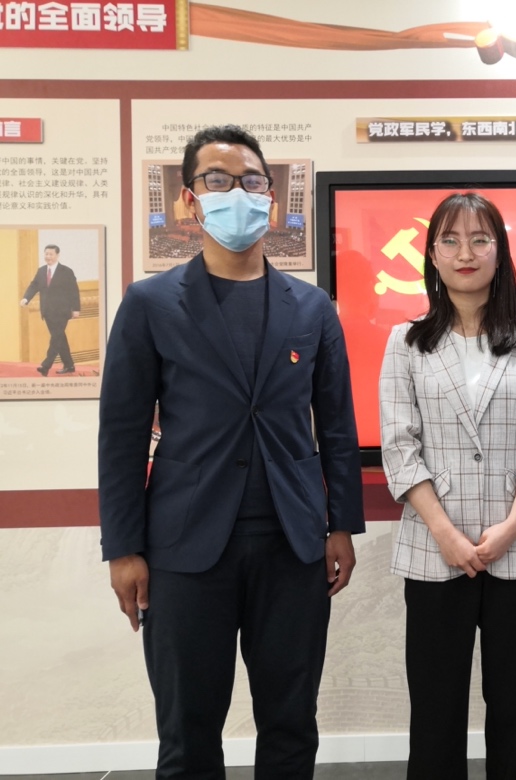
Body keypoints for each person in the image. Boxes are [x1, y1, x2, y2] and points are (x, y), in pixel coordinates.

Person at [98, 125, 365, 779]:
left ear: (270, 198)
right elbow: (122, 434)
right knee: (188, 733)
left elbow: (336, 426)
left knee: (291, 725)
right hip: (183, 549)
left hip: (293, 545)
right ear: (191, 199)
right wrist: (123, 548)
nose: (236, 192)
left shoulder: (312, 307)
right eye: (217, 180)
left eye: (250, 181)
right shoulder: (150, 303)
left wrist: (342, 525)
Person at [379, 192, 516, 780]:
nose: (466, 252)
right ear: (432, 254)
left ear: (499, 251)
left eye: (480, 239)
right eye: (451, 240)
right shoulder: (406, 342)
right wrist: (445, 532)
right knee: (435, 712)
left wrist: (512, 524)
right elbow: (399, 444)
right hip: (434, 551)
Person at [20, 244, 81, 376]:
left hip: (62, 311)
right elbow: (34, 285)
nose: (48, 257)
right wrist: (26, 298)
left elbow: (74, 291)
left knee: (56, 338)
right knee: (59, 338)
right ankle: (69, 365)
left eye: (51, 254)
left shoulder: (66, 271)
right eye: (46, 254)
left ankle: (45, 365)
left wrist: (76, 309)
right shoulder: (41, 271)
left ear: (57, 255)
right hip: (47, 311)